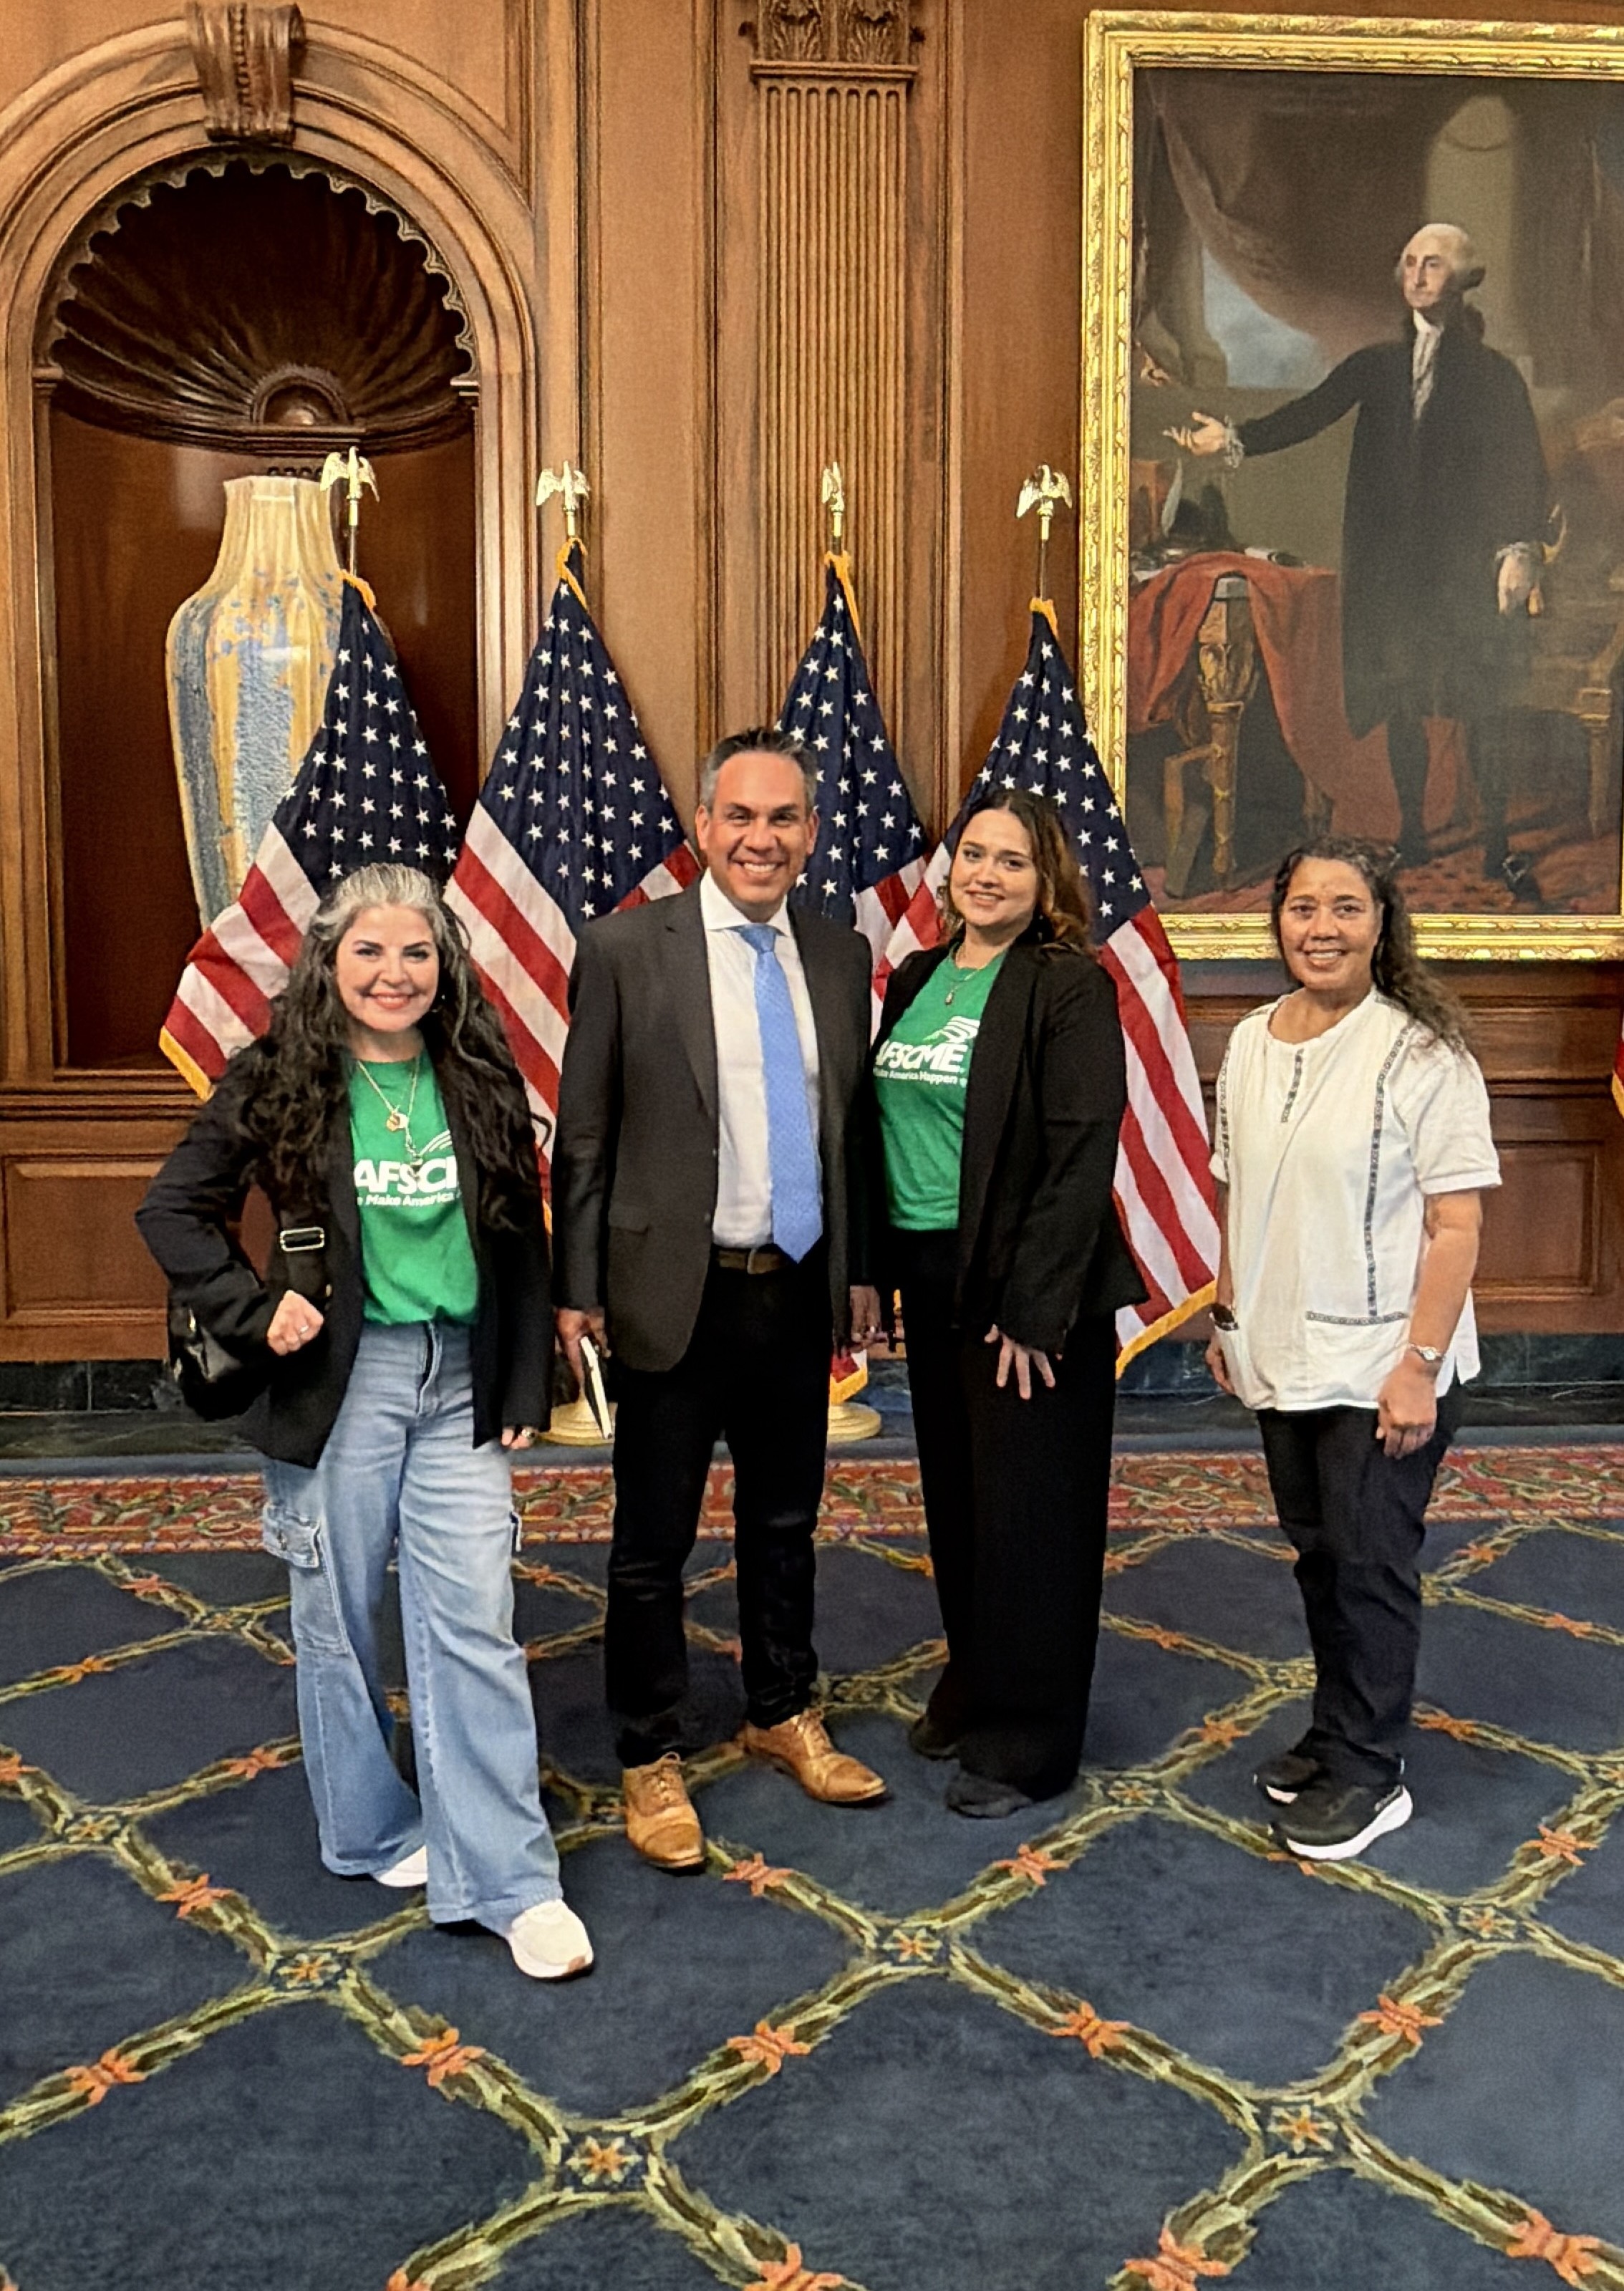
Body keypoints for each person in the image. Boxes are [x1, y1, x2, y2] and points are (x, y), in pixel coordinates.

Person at [137, 865, 591, 1979]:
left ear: (445, 968)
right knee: (338, 1618)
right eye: (371, 952)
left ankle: (509, 1879)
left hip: (459, 1380)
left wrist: (526, 1382)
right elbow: (172, 1206)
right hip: (345, 1385)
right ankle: (372, 1828)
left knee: (475, 1620)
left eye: (417, 953)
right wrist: (254, 1305)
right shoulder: (283, 1076)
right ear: (329, 963)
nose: (395, 974)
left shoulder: (474, 1070)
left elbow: (517, 1237)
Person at [551, 728, 888, 1871]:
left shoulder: (841, 957)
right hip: (669, 1290)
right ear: (703, 827)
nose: (762, 837)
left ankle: (779, 1704)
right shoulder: (623, 949)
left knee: (785, 1520)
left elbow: (852, 1130)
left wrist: (855, 1273)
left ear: (810, 831)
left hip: (793, 1290)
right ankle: (649, 1748)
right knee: (652, 1542)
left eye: (784, 817)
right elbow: (584, 1134)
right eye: (740, 816)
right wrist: (576, 1285)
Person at [1206, 836, 1500, 1861]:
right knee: (1319, 1553)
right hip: (1283, 1352)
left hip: (1386, 1363)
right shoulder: (1249, 1041)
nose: (1320, 927)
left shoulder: (1423, 1049)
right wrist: (1229, 1315)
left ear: (1382, 924)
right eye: (1301, 907)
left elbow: (1455, 1226)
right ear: (1277, 920)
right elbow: (1238, 1189)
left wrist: (1418, 1363)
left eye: (1344, 907)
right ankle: (1334, 1731)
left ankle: (1374, 1771)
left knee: (1372, 1560)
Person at [872, 788, 1146, 1817]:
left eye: (1013, 861)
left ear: (1049, 883)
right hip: (932, 1277)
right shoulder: (915, 977)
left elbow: (1082, 1150)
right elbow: (880, 1129)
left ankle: (1031, 1739)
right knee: (960, 1499)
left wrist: (1035, 1309)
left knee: (1034, 1516)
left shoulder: (1067, 985)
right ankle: (977, 1675)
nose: (986, 873)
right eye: (972, 854)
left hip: (1035, 1288)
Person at [1179, 224, 1547, 889]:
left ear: (1461, 280)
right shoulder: (1377, 365)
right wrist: (1233, 438)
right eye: (1408, 262)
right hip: (1394, 574)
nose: (1416, 273)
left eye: (1432, 263)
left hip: (1467, 571)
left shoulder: (1495, 378)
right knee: (1402, 702)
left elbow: (1523, 465)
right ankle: (1411, 833)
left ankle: (1495, 841)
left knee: (1481, 707)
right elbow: (1311, 413)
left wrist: (1519, 549)